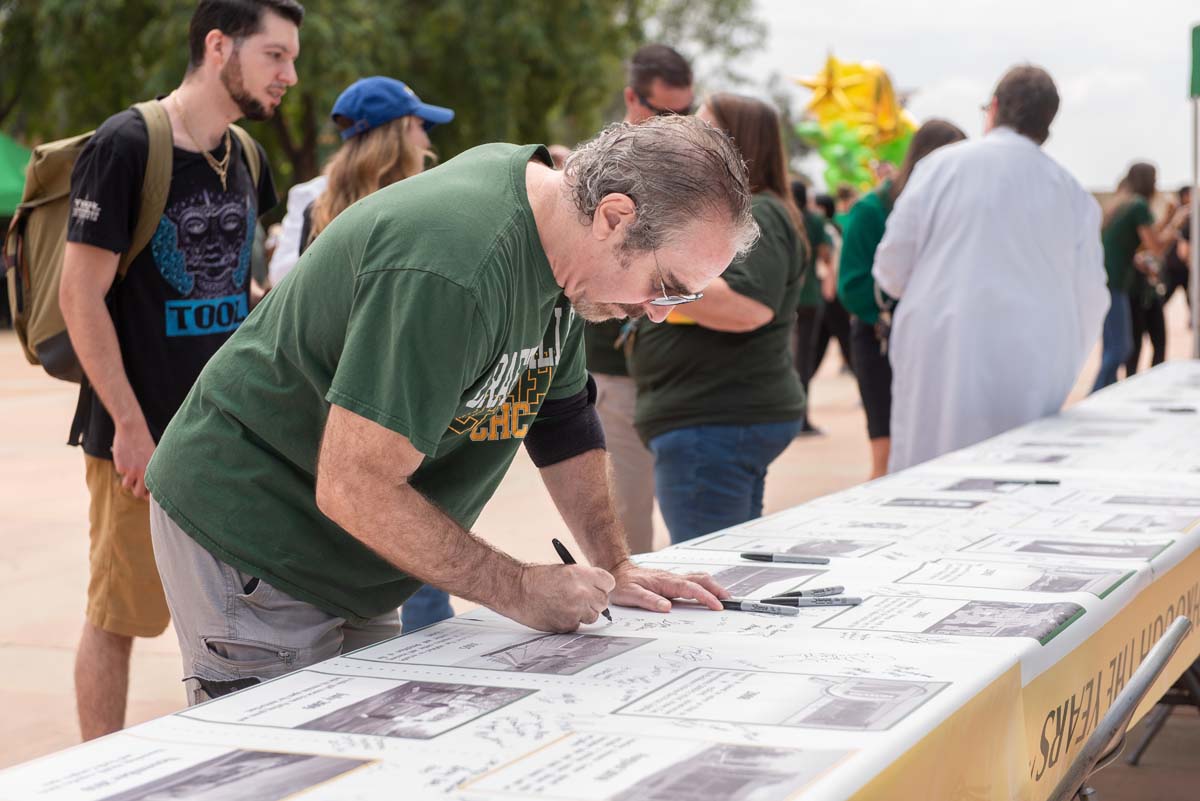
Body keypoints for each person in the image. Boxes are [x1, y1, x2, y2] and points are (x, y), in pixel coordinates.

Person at [145, 116, 755, 705]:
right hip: (256, 527)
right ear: (614, 217)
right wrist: (518, 588)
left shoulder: (566, 258)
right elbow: (355, 483)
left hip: (362, 548)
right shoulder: (456, 268)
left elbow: (562, 419)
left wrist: (615, 563)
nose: (659, 312)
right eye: (667, 285)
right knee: (281, 763)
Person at [57, 0, 298, 738]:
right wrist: (130, 426)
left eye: (292, 59)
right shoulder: (128, 144)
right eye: (276, 55)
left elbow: (233, 286)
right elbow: (80, 294)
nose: (290, 75)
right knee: (120, 615)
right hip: (142, 438)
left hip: (226, 441)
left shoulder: (247, 157)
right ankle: (97, 770)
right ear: (219, 45)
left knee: (241, 616)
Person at [873, 65, 1108, 473]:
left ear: (994, 107)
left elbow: (891, 269)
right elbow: (1091, 300)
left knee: (927, 487)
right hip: (1035, 365)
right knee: (1015, 494)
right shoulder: (1073, 193)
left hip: (942, 354)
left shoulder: (940, 167)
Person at [293, 77, 454, 633]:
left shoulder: (319, 210)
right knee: (425, 584)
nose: (427, 138)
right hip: (406, 417)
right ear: (396, 135)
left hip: (332, 420)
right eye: (419, 125)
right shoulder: (431, 208)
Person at [630, 94, 805, 543]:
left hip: (714, 420)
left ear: (739, 143)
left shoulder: (758, 211)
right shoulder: (750, 210)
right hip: (714, 419)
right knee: (728, 558)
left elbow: (747, 305)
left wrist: (648, 271)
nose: (692, 136)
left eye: (706, 128)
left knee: (706, 570)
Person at [584, 43, 695, 556]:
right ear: (632, 98)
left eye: (687, 113)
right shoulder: (597, 175)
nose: (679, 126)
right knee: (628, 529)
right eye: (666, 113)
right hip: (616, 371)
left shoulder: (693, 175)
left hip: (680, 379)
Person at [837, 120, 965, 479]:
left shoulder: (952, 211)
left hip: (936, 343)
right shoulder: (871, 210)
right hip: (880, 341)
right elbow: (852, 286)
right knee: (889, 454)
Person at [1091, 163, 1190, 390]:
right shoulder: (1138, 206)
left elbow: (1137, 246)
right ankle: (1096, 395)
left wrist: (1167, 220)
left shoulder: (1122, 205)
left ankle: (1106, 394)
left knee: (1114, 348)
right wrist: (1176, 223)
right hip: (1117, 283)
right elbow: (1155, 246)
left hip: (1106, 281)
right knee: (1120, 349)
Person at [790, 181, 831, 436]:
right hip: (809, 299)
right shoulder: (814, 221)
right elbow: (826, 254)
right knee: (804, 358)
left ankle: (788, 415)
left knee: (786, 357)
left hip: (785, 298)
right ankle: (802, 418)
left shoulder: (780, 216)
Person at [809, 192, 853, 378]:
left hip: (830, 293)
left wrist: (829, 285)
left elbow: (832, 260)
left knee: (846, 343)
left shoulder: (827, 229)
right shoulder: (831, 227)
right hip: (830, 294)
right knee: (816, 346)